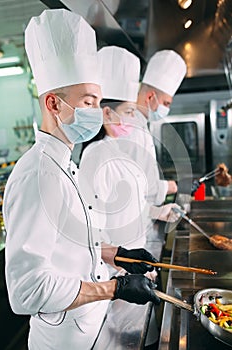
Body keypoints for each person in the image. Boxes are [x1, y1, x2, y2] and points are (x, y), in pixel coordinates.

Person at [2, 10, 161, 350]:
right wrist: (115, 289)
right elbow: (26, 289)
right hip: (63, 342)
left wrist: (117, 255)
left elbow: (68, 246)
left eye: (99, 101)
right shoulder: (37, 175)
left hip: (90, 327)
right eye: (88, 102)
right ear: (52, 103)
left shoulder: (65, 162)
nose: (96, 111)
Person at [79, 45, 181, 349]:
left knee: (146, 336)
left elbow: (137, 198)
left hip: (133, 261)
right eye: (127, 112)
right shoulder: (95, 156)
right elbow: (91, 230)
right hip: (113, 276)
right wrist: (119, 267)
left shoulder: (124, 148)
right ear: (107, 113)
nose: (133, 119)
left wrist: (154, 214)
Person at [118, 49, 187, 206]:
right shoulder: (132, 129)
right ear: (150, 97)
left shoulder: (140, 125)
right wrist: (172, 186)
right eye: (166, 103)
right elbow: (144, 187)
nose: (167, 109)